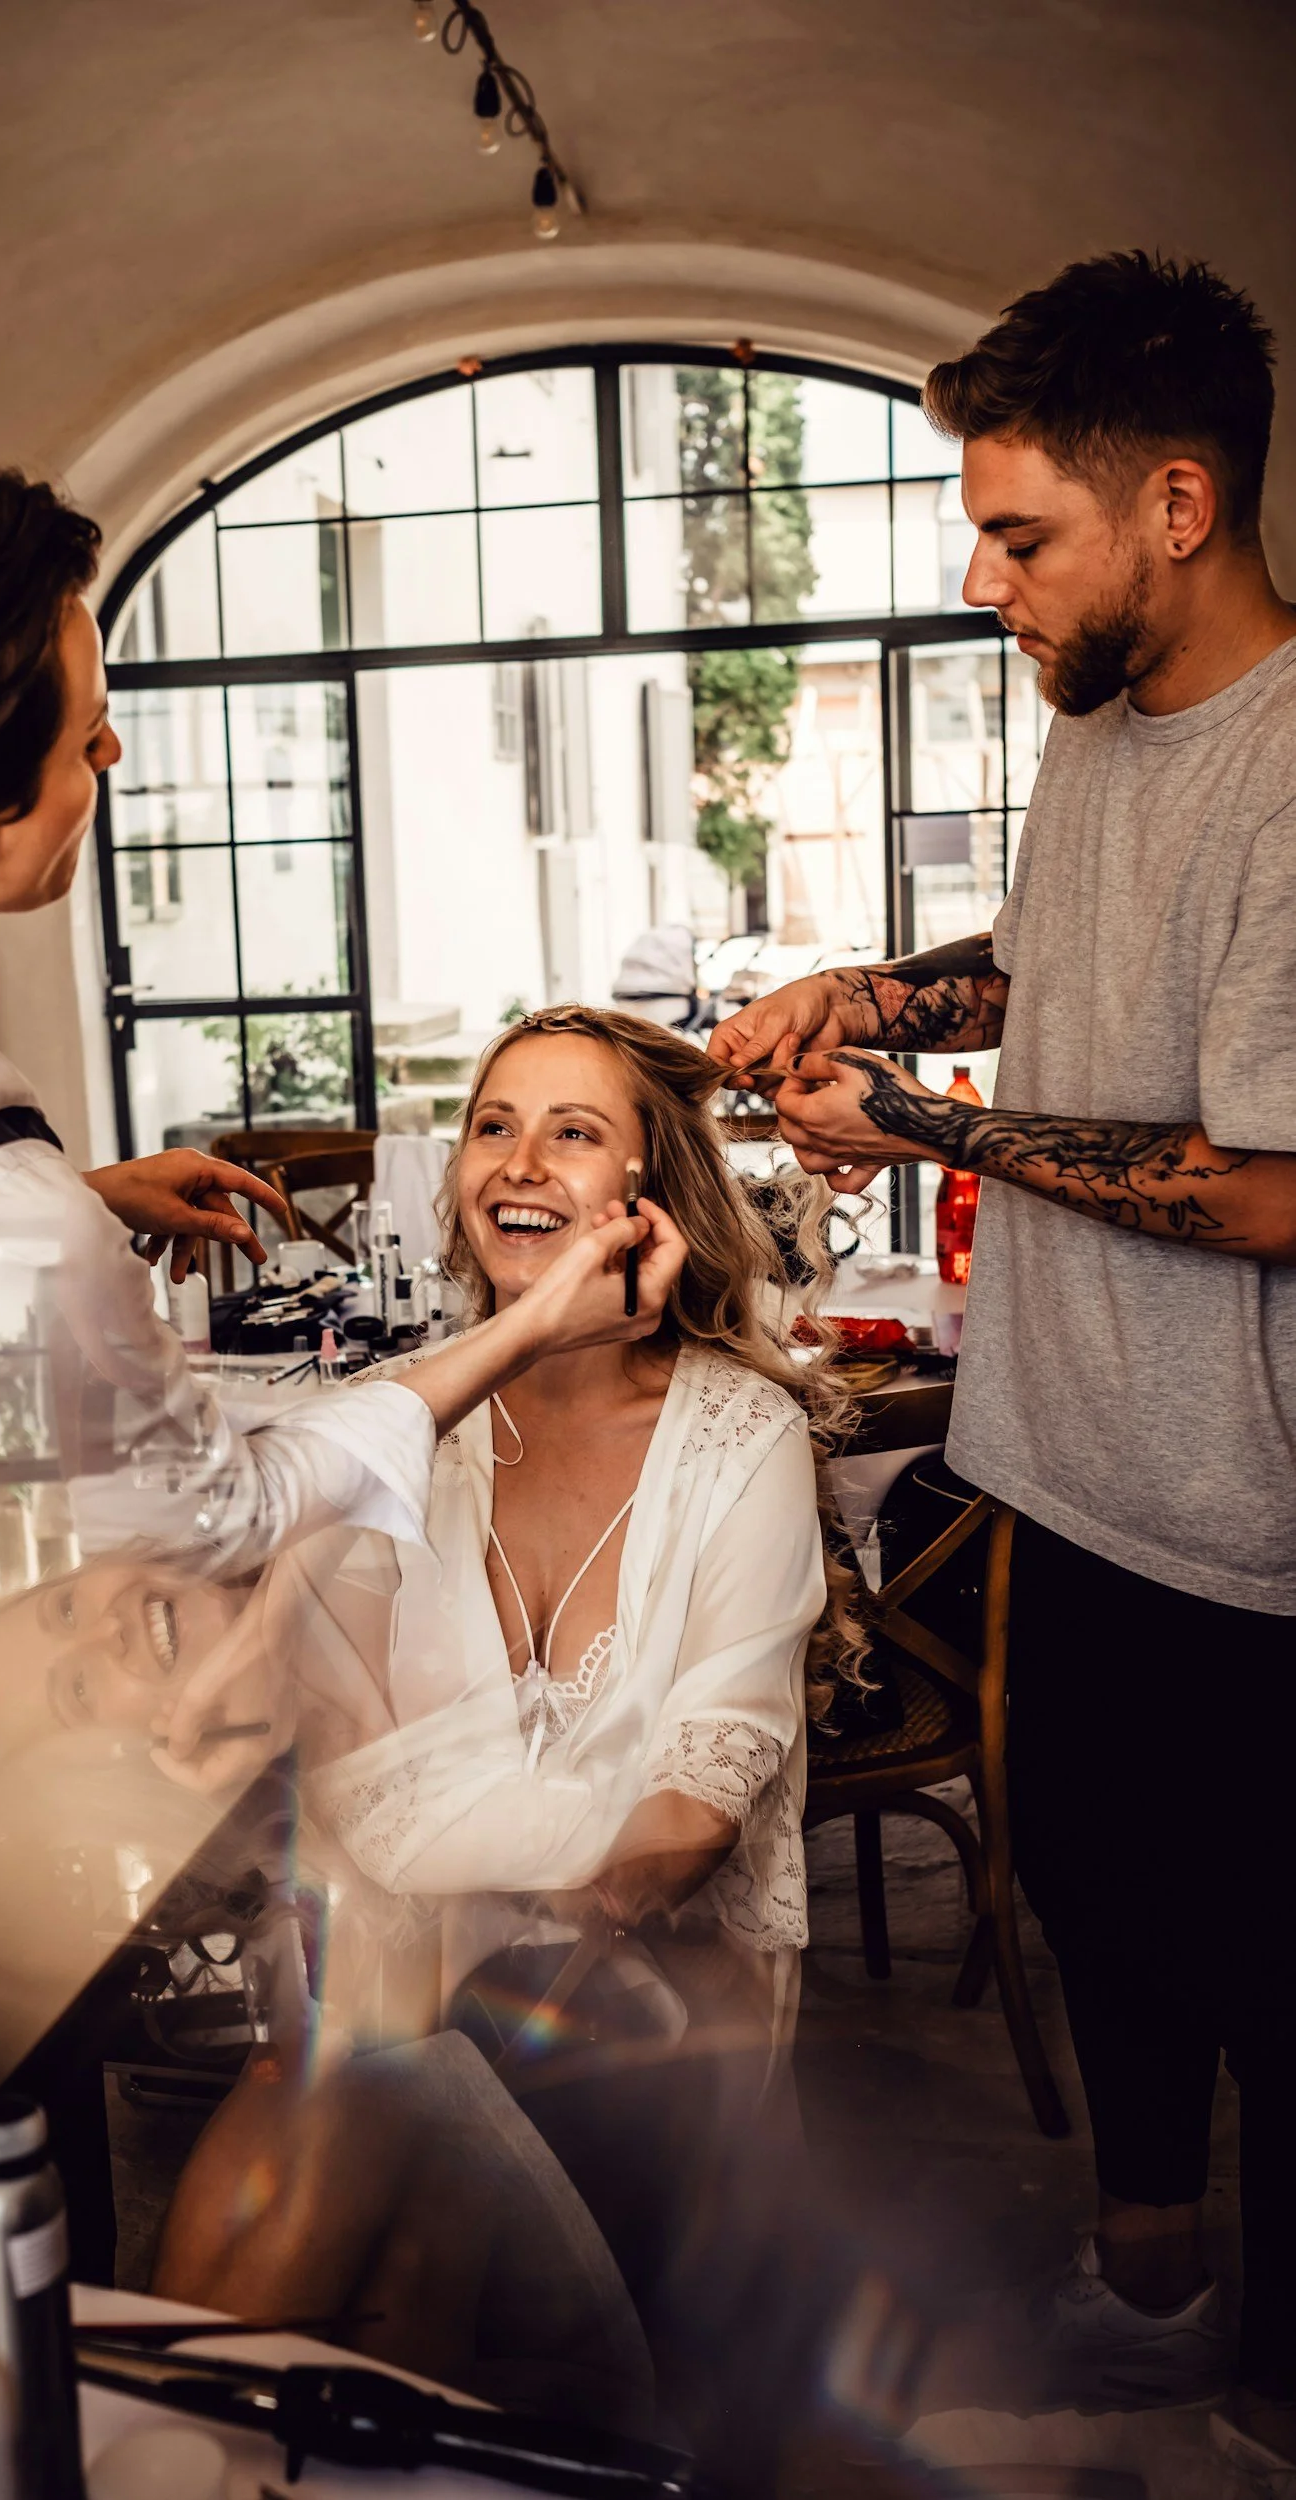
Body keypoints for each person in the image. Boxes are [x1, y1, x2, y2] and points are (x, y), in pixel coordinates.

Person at [708, 252, 1296, 2451]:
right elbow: (1043, 969)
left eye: (1018, 536)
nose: (982, 582)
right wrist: (867, 996)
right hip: (1065, 1466)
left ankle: (1269, 2393)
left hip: (1241, 1520)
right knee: (1104, 1915)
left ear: (1175, 504)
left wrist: (929, 1130)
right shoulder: (1097, 718)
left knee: (1265, 1973)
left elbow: (1266, 1185)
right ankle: (1143, 2285)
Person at [0, 465, 684, 1578]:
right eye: (86, 734)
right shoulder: (4, 1220)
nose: (112, 756)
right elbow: (217, 1522)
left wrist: (82, 1203)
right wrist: (533, 1325)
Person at [139, 1007, 865, 2449]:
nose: (517, 1162)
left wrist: (459, 1880)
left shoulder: (740, 1440)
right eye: (491, 1126)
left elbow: (685, 1818)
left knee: (361, 2119)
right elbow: (289, 1740)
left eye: (570, 1132)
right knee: (369, 2141)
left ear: (647, 1195)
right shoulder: (397, 1427)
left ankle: (156, 2447)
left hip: (645, 2027)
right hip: (404, 2009)